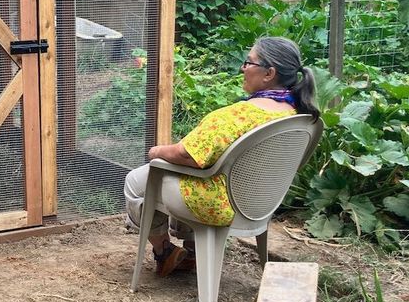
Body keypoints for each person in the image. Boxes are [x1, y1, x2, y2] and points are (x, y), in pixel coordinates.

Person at [124, 36, 319, 275]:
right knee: (201, 174)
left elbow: (188, 155)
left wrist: (157, 151)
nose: (243, 68)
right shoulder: (301, 116)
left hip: (218, 204)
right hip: (259, 204)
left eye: (249, 62)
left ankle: (164, 252)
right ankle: (194, 252)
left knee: (137, 180)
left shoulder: (238, 115)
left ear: (269, 73)